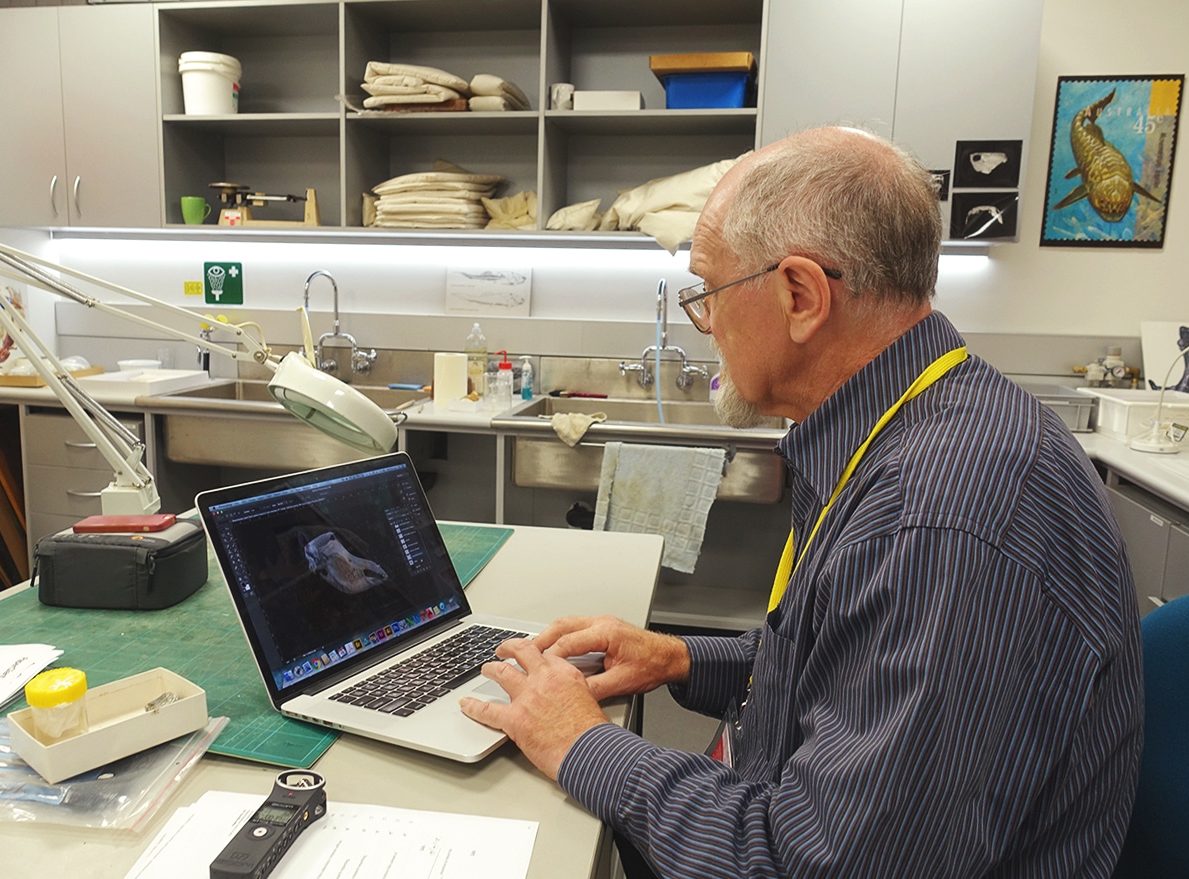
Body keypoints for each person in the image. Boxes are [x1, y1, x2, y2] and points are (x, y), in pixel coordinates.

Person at [460, 127, 1144, 878]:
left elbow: (813, 864)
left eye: (708, 292)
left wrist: (582, 743)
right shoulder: (904, 425)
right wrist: (684, 657)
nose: (706, 326)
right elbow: (848, 660)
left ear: (799, 295)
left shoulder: (939, 520)